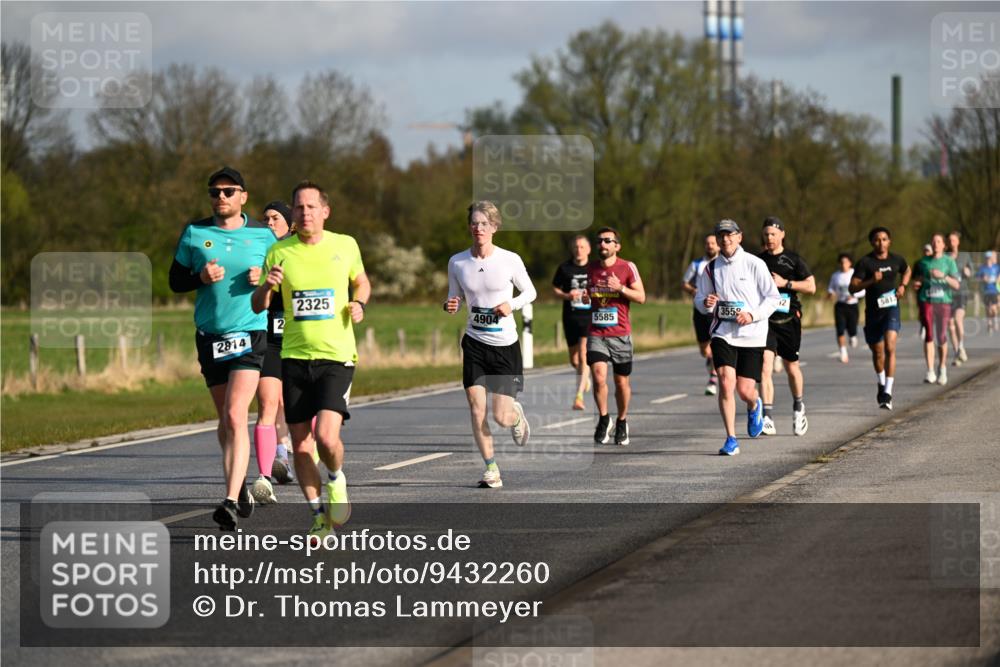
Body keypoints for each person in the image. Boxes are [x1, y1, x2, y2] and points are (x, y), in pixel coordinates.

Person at [252, 181, 370, 542]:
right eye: (298, 208)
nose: (304, 213)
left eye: (310, 207)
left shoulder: (345, 244)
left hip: (336, 356)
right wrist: (268, 286)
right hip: (294, 357)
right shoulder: (278, 252)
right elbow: (258, 305)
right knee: (301, 446)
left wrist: (359, 303)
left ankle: (336, 479)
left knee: (325, 436)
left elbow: (362, 282)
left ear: (325, 211)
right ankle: (318, 516)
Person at [169, 167, 276, 530]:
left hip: (249, 333)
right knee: (226, 423)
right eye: (215, 192)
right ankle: (241, 484)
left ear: (243, 196)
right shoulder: (195, 233)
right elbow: (174, 280)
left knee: (235, 414)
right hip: (210, 336)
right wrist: (199, 278)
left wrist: (263, 280)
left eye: (229, 191)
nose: (221, 198)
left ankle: (229, 500)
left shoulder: (263, 235)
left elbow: (284, 280)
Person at [444, 201, 536, 489]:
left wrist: (512, 304)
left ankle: (516, 415)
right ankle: (491, 469)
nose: (478, 228)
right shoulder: (457, 262)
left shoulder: (510, 259)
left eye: (484, 223)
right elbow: (454, 296)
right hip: (474, 343)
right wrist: (451, 304)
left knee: (501, 416)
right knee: (476, 409)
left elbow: (531, 291)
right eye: (474, 222)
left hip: (505, 345)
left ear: (494, 227)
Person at [694, 219, 780, 456]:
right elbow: (700, 300)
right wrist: (706, 303)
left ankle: (754, 404)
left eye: (730, 235)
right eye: (721, 235)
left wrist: (753, 315)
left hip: (752, 335)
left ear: (739, 237)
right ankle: (731, 438)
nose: (725, 239)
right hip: (723, 333)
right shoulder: (710, 268)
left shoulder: (755, 263)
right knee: (725, 382)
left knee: (744, 390)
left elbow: (773, 298)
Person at [250, 201, 298, 504]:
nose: (268, 222)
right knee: (268, 402)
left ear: (290, 224)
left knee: (298, 406)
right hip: (268, 339)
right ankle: (265, 476)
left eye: (275, 217)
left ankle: (290, 452)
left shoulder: (298, 251)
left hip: (300, 340)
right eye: (265, 217)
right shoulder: (258, 254)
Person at [587, 227, 646, 446]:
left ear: (616, 246)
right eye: (599, 241)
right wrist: (585, 297)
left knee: (621, 382)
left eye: (607, 241)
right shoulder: (590, 269)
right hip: (596, 333)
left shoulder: (627, 267)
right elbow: (588, 296)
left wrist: (619, 287)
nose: (602, 244)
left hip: (620, 334)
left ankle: (622, 421)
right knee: (599, 376)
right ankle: (604, 418)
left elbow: (641, 297)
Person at [757, 217, 815, 437]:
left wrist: (785, 283)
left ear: (782, 235)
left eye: (773, 234)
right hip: (765, 321)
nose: (769, 238)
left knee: (792, 367)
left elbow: (811, 286)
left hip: (789, 320)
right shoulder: (757, 260)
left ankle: (799, 407)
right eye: (766, 234)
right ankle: (768, 417)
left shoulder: (793, 260)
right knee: (765, 366)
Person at [849, 227, 911, 411]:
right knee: (878, 352)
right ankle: (881, 382)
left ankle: (887, 392)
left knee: (890, 346)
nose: (881, 243)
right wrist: (870, 281)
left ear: (889, 241)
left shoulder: (896, 259)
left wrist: (903, 286)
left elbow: (906, 270)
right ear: (872, 242)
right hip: (873, 313)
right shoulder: (865, 262)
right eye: (877, 240)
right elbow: (852, 288)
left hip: (891, 308)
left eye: (884, 239)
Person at [912, 234, 960, 385]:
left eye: (938, 241)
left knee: (941, 335)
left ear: (944, 246)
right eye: (933, 241)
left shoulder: (949, 262)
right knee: (929, 334)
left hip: (943, 301)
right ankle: (930, 371)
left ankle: (942, 367)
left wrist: (943, 277)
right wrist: (917, 284)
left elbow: (957, 285)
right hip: (926, 299)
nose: (935, 243)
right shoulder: (922, 262)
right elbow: (917, 279)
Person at [551, 235, 592, 410]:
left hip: (589, 317)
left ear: (589, 249)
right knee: (575, 360)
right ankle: (585, 375)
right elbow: (555, 287)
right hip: (570, 316)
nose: (579, 250)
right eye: (576, 247)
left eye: (582, 247)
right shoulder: (565, 268)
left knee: (583, 354)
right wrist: (566, 296)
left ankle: (579, 397)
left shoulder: (594, 268)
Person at [681, 233, 721, 396]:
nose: (710, 246)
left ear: (718, 245)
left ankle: (713, 377)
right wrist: (694, 290)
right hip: (700, 310)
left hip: (717, 311)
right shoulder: (697, 264)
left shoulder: (722, 263)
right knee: (705, 350)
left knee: (717, 344)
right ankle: (710, 359)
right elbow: (684, 282)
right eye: (707, 243)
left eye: (713, 243)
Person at [827, 253, 864, 363]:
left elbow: (863, 290)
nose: (843, 264)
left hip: (852, 305)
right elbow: (831, 289)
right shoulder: (835, 276)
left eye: (846, 262)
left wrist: (853, 295)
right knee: (840, 329)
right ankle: (843, 352)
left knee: (852, 328)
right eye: (842, 262)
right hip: (840, 305)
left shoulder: (854, 273)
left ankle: (853, 336)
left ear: (850, 263)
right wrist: (830, 294)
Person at [946, 231, 974, 365]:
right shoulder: (944, 257)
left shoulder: (965, 256)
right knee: (950, 325)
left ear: (958, 241)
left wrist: (968, 272)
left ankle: (961, 347)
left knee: (957, 320)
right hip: (948, 294)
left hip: (962, 292)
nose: (951, 242)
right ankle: (958, 352)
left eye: (953, 240)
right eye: (949, 240)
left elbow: (971, 271)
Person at [977, 250, 999, 334]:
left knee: (993, 308)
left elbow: (999, 275)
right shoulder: (982, 268)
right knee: (988, 309)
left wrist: (998, 279)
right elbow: (978, 276)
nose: (988, 260)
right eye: (986, 258)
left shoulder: (996, 267)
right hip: (985, 291)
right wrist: (983, 278)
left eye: (989, 258)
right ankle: (989, 324)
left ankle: (995, 319)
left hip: (994, 290)